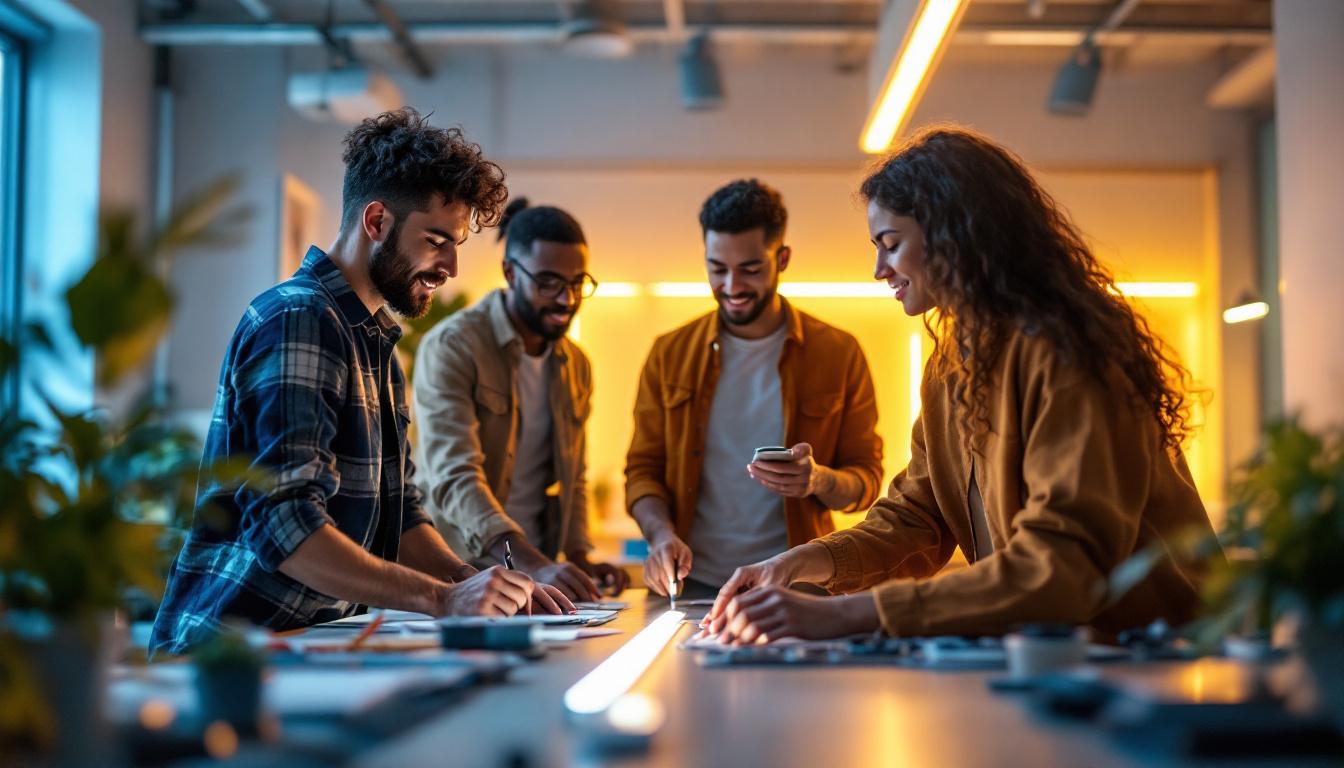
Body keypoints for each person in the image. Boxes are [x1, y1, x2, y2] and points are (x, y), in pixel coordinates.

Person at [704, 126, 1218, 645]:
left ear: (955, 236)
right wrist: (795, 565)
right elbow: (917, 518)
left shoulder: (1068, 349)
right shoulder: (950, 363)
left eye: (891, 245)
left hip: (1164, 661)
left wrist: (846, 616)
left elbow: (1062, 566)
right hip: (1061, 659)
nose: (879, 270)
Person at [151, 109, 569, 656]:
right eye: (437, 240)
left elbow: (399, 517)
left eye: (456, 246)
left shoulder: (375, 345)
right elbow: (288, 530)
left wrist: (474, 584)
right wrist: (444, 601)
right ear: (376, 222)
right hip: (228, 662)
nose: (450, 267)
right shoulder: (298, 318)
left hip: (307, 648)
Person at [625, 179, 884, 596]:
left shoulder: (839, 352)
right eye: (717, 268)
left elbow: (866, 481)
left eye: (749, 269)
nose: (731, 287)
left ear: (782, 259)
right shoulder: (668, 354)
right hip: (691, 587)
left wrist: (817, 480)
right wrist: (659, 536)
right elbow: (642, 472)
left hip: (799, 586)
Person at [413, 199, 630, 602]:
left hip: (534, 576)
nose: (566, 299)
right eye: (548, 282)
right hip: (457, 575)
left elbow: (574, 477)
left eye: (576, 283)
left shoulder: (575, 363)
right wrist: (534, 563)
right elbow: (453, 476)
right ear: (511, 273)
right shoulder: (453, 346)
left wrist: (579, 558)